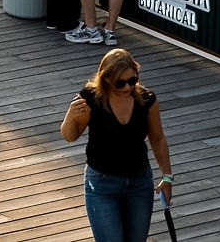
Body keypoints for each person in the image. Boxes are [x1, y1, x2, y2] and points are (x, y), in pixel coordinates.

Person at [61, 48, 174, 242]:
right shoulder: (91, 99)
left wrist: (167, 177)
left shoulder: (147, 100)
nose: (128, 86)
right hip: (101, 185)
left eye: (133, 80)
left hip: (139, 184)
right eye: (121, 82)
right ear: (106, 79)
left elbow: (157, 138)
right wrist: (70, 116)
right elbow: (70, 136)